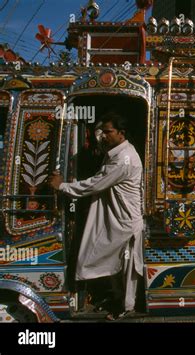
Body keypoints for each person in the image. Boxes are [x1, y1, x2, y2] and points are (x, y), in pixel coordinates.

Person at [49, 112, 144, 321]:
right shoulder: (118, 153)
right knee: (113, 261)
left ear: (121, 133)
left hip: (126, 220)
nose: (104, 136)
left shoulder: (124, 159)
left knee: (125, 267)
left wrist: (63, 186)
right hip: (118, 217)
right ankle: (116, 301)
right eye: (103, 132)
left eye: (108, 132)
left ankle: (125, 307)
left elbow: (95, 183)